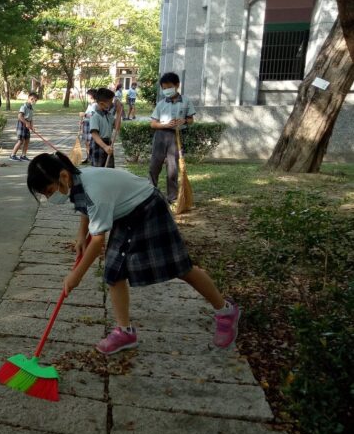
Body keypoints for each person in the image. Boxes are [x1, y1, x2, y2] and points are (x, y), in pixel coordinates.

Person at [26, 151, 240, 354]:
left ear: (63, 176)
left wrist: (76, 275)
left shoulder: (94, 188)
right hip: (125, 213)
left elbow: (99, 240)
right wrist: (81, 233)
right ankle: (125, 332)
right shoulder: (75, 180)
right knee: (113, 272)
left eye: (50, 192)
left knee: (180, 267)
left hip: (148, 208)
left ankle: (225, 311)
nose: (50, 198)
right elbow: (86, 209)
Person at [149, 72, 196, 204]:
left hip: (175, 137)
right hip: (160, 135)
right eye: (163, 88)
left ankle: (173, 196)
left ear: (177, 85)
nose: (166, 90)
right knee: (154, 165)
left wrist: (184, 121)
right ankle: (150, 193)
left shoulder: (186, 101)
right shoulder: (161, 104)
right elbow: (153, 123)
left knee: (173, 167)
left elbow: (191, 119)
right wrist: (165, 124)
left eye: (168, 87)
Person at [88, 88, 117, 167]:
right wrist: (105, 147)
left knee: (109, 169)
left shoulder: (109, 115)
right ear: (101, 104)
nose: (112, 104)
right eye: (110, 102)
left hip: (108, 144)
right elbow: (94, 135)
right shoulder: (95, 116)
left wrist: (119, 111)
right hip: (99, 144)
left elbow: (117, 127)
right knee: (98, 170)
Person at [9, 92, 37, 162]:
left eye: (35, 100)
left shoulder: (31, 108)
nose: (33, 101)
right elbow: (19, 117)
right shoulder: (23, 106)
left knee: (27, 140)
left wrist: (32, 126)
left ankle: (23, 155)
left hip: (27, 125)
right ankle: (12, 155)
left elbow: (31, 118)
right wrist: (26, 123)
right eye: (32, 99)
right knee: (21, 141)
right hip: (21, 125)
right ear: (29, 98)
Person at [80, 88, 98, 164]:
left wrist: (84, 114)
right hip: (86, 124)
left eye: (88, 95)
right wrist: (82, 120)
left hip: (91, 125)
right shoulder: (90, 105)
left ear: (91, 96)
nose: (87, 96)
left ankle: (92, 158)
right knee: (86, 142)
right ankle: (88, 157)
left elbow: (94, 115)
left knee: (90, 142)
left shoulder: (95, 105)